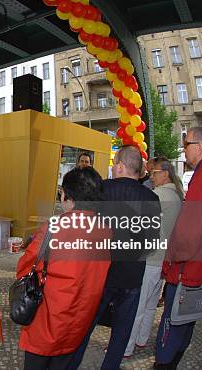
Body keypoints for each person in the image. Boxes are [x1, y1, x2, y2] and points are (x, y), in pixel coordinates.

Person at [70, 146, 161, 370]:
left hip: (100, 274)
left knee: (85, 326)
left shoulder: (103, 190)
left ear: (120, 165)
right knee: (121, 332)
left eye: (114, 163)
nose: (112, 166)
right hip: (132, 276)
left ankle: (69, 365)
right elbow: (151, 242)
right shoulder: (151, 197)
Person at [17, 167, 112, 369]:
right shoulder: (105, 231)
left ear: (68, 196)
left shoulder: (54, 228)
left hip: (48, 319)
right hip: (79, 321)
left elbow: (25, 267)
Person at [154, 126, 202, 369]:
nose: (184, 150)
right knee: (183, 331)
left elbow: (189, 233)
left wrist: (171, 260)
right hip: (199, 271)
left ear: (200, 146)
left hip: (186, 273)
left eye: (186, 145)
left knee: (170, 334)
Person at [124, 157, 182, 357]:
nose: (152, 176)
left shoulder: (158, 196)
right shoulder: (176, 196)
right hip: (163, 260)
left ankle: (127, 346)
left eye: (154, 172)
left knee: (138, 305)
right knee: (150, 305)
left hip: (150, 258)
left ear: (165, 173)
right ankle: (141, 339)